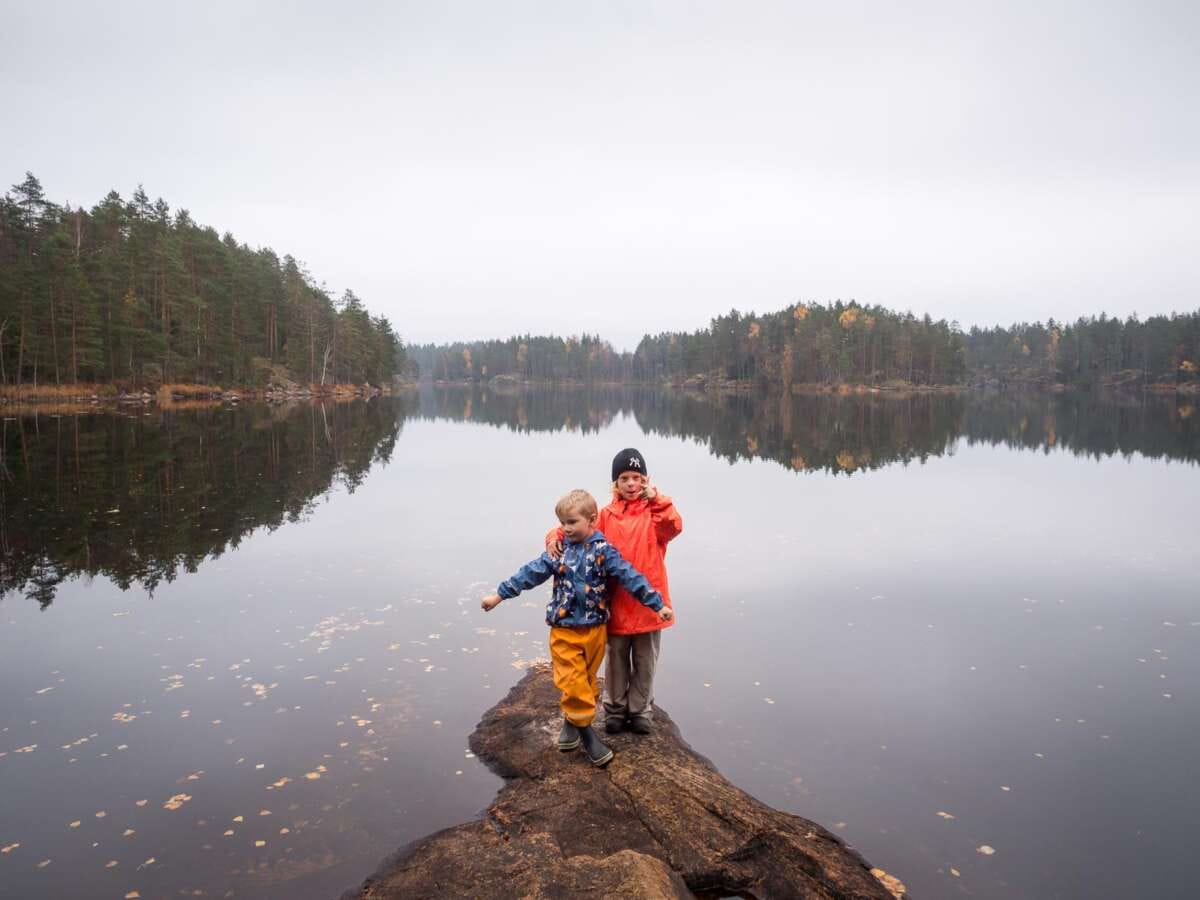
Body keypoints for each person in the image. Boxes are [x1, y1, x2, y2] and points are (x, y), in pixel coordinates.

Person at [482, 488, 672, 766]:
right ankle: (587, 735)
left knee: (585, 682)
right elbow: (529, 573)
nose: (565, 528)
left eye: (571, 522)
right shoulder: (558, 552)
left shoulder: (604, 551)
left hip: (595, 630)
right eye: (562, 523)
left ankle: (571, 724)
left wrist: (657, 604)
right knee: (572, 681)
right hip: (564, 630)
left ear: (592, 520)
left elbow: (631, 577)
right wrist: (499, 595)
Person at [546, 448, 682, 736]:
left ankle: (640, 710)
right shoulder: (605, 516)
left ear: (646, 481)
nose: (631, 484)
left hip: (649, 601)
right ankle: (616, 710)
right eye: (624, 478)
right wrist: (552, 538)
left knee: (645, 661)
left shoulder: (655, 514)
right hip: (616, 600)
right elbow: (575, 526)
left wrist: (658, 500)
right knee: (616, 658)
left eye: (637, 478)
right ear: (615, 484)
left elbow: (674, 526)